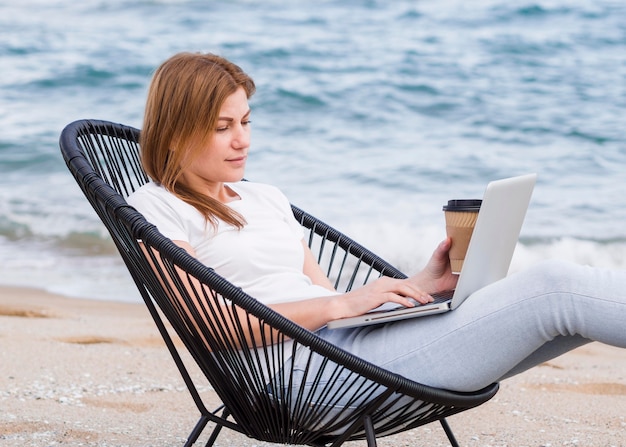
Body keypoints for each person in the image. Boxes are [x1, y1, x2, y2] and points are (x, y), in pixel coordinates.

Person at [128, 52, 626, 393]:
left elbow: (324, 300)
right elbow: (211, 326)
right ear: (175, 133)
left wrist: (418, 288)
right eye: (222, 127)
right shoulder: (157, 209)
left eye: (246, 121)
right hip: (293, 377)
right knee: (554, 289)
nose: (243, 140)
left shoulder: (266, 198)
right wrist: (341, 303)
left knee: (541, 300)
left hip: (346, 350)